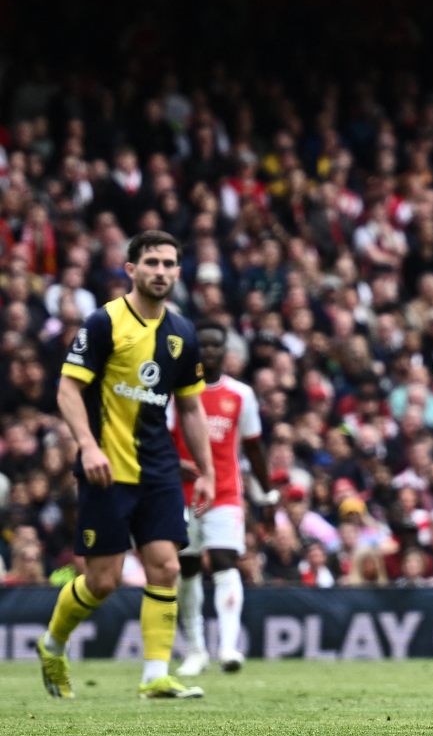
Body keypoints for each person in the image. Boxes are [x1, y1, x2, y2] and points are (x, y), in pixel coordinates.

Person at [40, 230, 214, 699]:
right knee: (102, 582)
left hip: (158, 470)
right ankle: (52, 645)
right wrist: (88, 446)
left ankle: (154, 675)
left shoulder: (182, 333)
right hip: (106, 469)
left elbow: (193, 409)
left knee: (165, 567)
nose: (161, 271)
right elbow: (67, 390)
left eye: (169, 263)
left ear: (179, 272)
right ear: (131, 269)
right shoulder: (103, 323)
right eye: (152, 262)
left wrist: (208, 470)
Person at [171, 319, 279, 677]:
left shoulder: (240, 395)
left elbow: (254, 448)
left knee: (223, 560)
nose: (210, 351)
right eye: (203, 345)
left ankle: (229, 647)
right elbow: (157, 437)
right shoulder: (177, 392)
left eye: (217, 345)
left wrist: (268, 493)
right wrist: (174, 463)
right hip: (181, 494)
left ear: (226, 351)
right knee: (186, 568)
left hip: (225, 492)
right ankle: (196, 650)